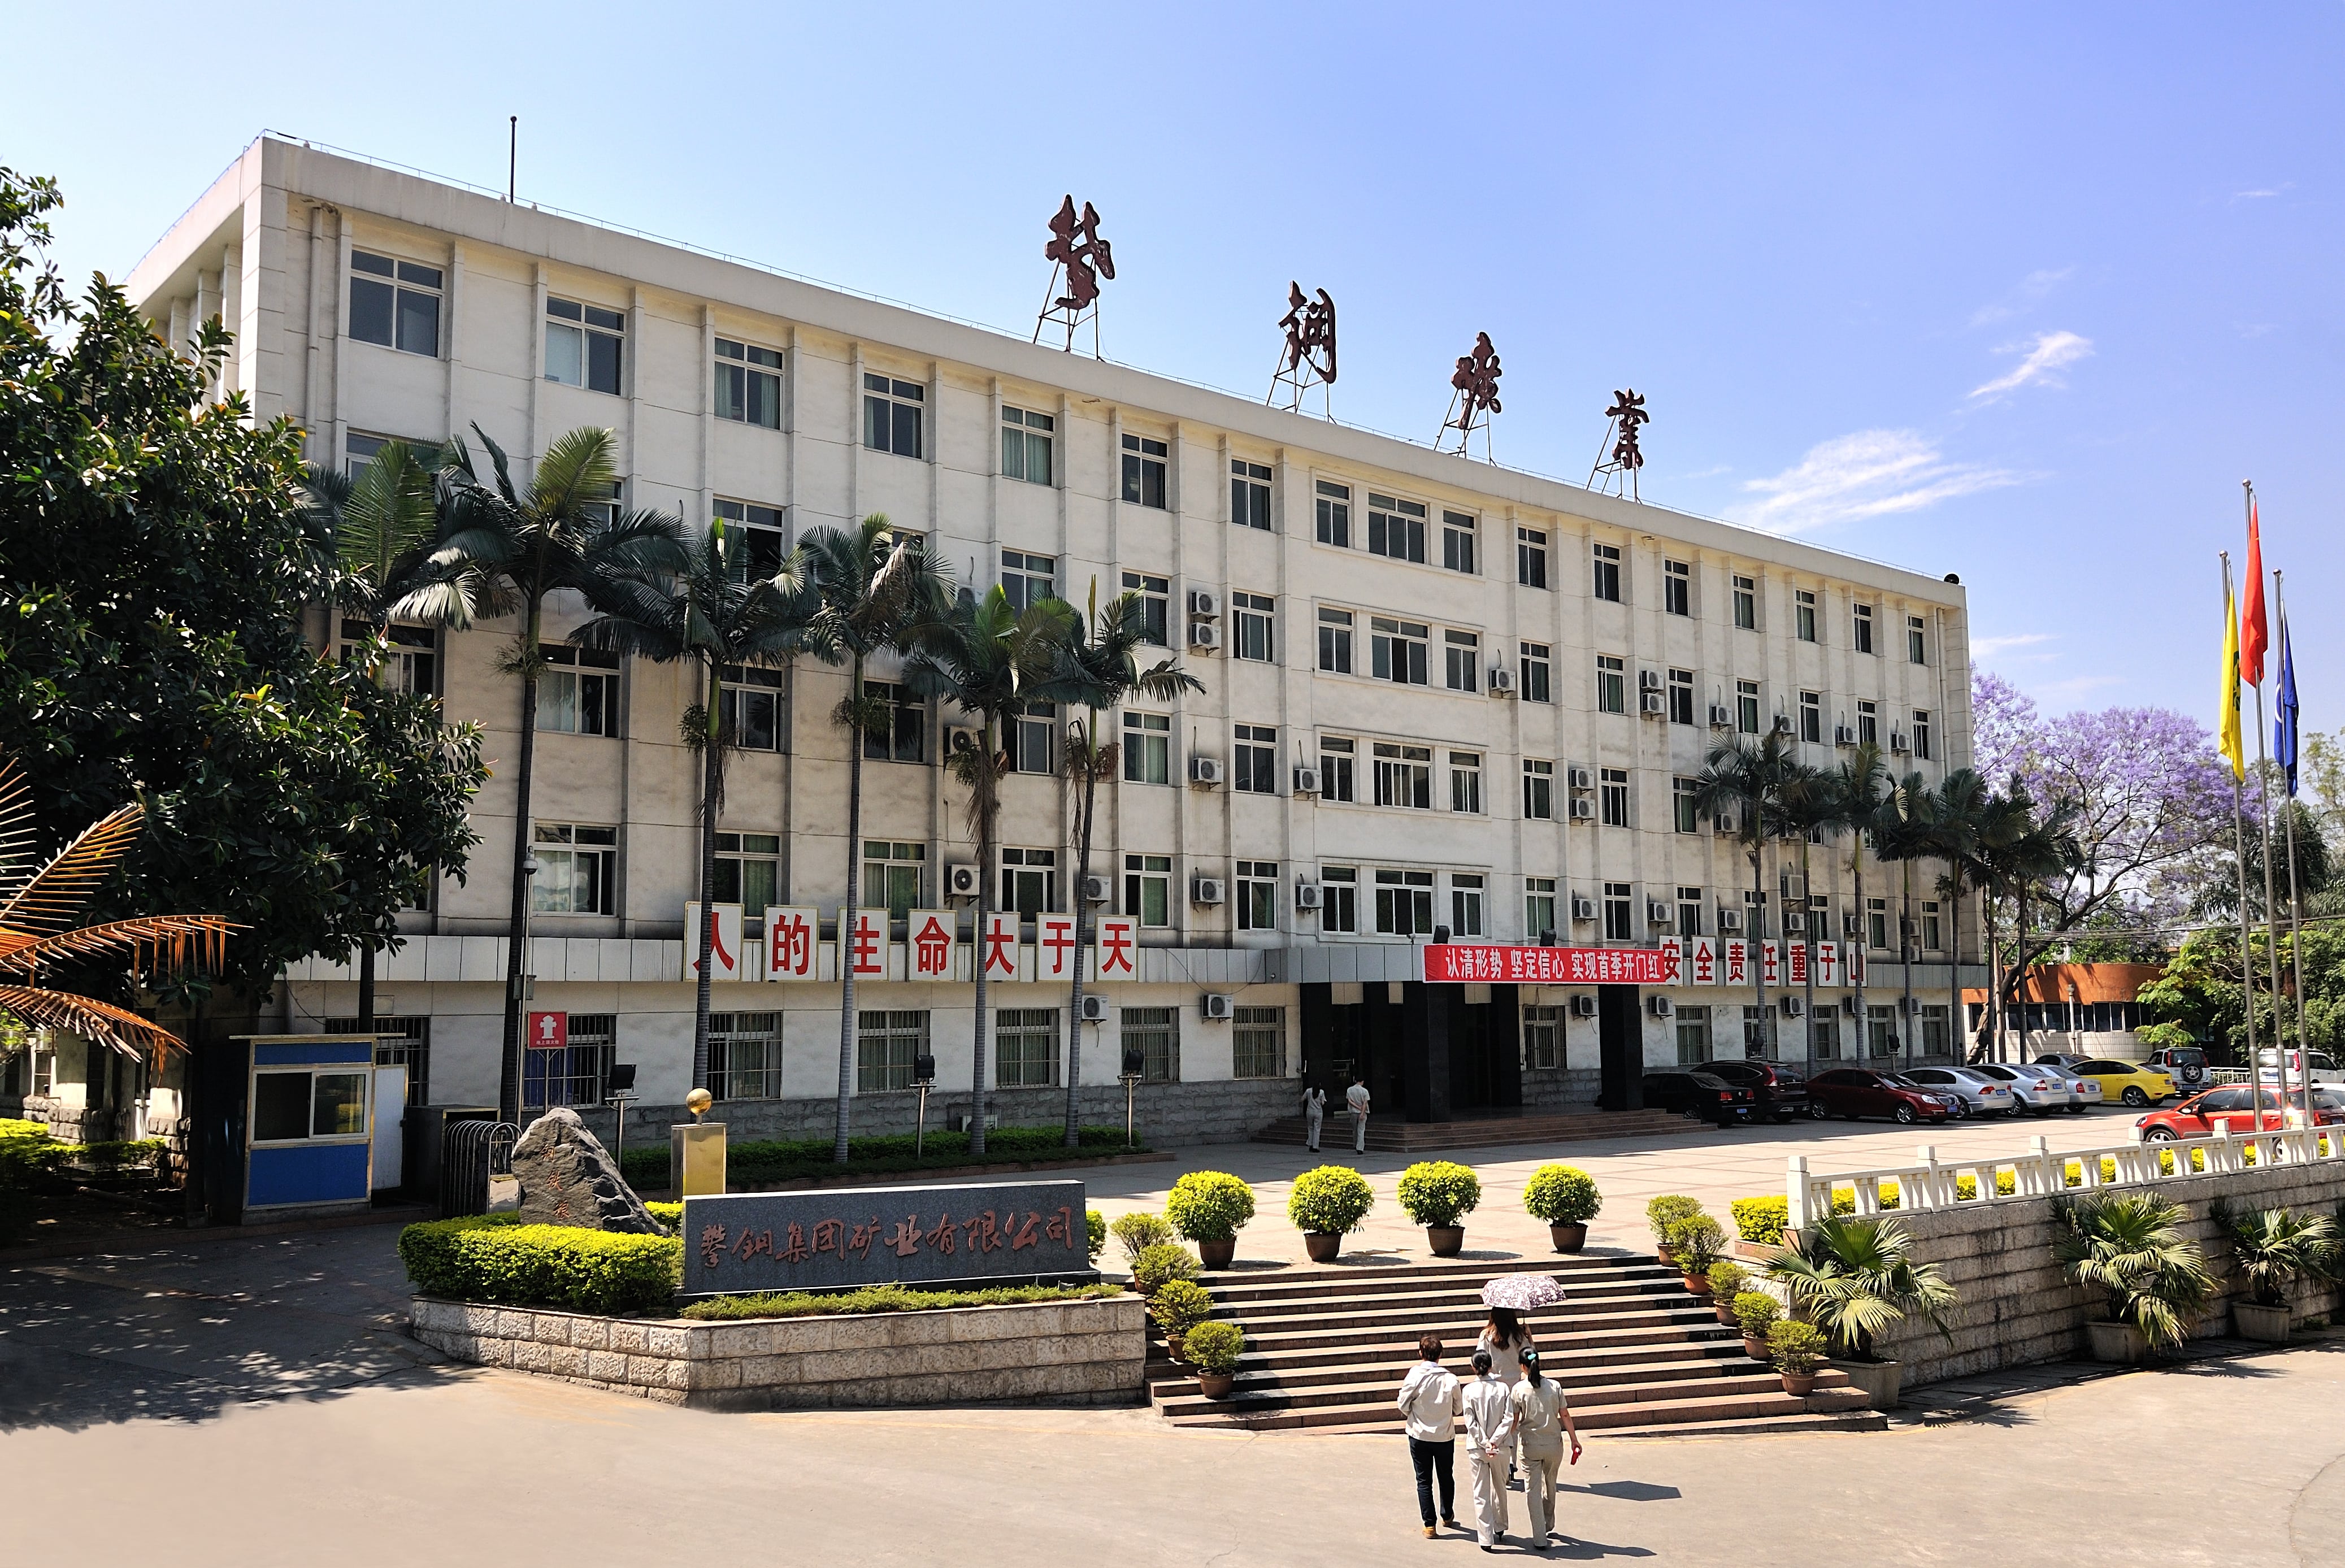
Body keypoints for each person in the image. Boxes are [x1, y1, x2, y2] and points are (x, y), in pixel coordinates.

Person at [1509, 1347, 1580, 1549]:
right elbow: (1565, 1415)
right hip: (1554, 1445)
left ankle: (1540, 1537)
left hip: (1530, 1446)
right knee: (1550, 1484)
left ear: (1522, 1366)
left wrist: (1504, 1439)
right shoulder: (1555, 1386)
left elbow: (1515, 1421)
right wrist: (1574, 1440)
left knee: (1532, 1490)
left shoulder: (1518, 1389)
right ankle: (1548, 1522)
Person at [1395, 1334, 1462, 1539]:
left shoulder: (1415, 1376)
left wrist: (1414, 1414)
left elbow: (1403, 1403)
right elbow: (1458, 1409)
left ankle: (1430, 1524)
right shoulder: (1451, 1379)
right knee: (1446, 1476)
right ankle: (1447, 1515)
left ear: (1421, 1353)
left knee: (1424, 1480)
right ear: (1440, 1355)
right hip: (1444, 1436)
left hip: (1419, 1435)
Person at [1460, 1348, 1515, 1550]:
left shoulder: (1468, 1390)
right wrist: (1495, 1441)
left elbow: (1470, 1422)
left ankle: (1485, 1537)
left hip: (1477, 1448)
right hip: (1501, 1446)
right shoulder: (1503, 1388)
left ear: (1473, 1368)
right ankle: (1500, 1526)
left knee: (1480, 1492)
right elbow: (1508, 1419)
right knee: (1500, 1488)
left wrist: (1485, 1442)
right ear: (1491, 1366)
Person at [1477, 1307, 1535, 1486]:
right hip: (1515, 1385)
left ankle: (1500, 1461)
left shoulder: (1487, 1335)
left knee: (1497, 1424)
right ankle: (1511, 1462)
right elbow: (1531, 1356)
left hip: (1494, 1387)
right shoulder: (1519, 1336)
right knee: (1513, 1426)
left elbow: (1480, 1357)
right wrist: (1529, 1337)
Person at [1345, 1074, 1371, 1154]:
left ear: (1355, 1081)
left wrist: (1357, 1107)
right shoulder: (1365, 1091)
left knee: (1355, 1129)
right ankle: (1360, 1148)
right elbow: (1365, 1103)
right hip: (1362, 1113)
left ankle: (1355, 1144)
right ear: (1362, 1082)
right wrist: (1362, 1112)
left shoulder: (1350, 1090)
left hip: (1353, 1112)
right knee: (1361, 1130)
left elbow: (1350, 1101)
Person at [1301, 1082, 1327, 1153]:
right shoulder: (1321, 1092)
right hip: (1318, 1112)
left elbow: (1302, 1099)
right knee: (1317, 1129)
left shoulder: (1308, 1091)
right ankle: (1315, 1147)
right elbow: (1323, 1103)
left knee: (1310, 1128)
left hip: (1310, 1111)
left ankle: (1310, 1143)